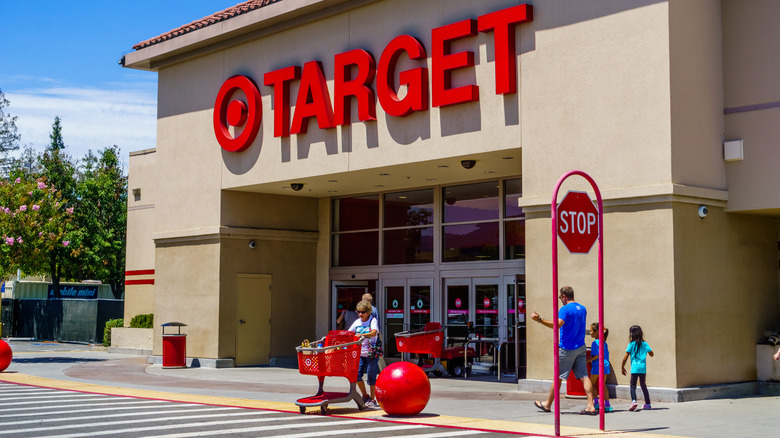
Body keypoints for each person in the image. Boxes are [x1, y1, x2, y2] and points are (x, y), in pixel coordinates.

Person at [531, 286, 596, 415]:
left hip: (567, 348)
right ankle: (591, 405)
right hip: (580, 347)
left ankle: (547, 404)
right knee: (584, 376)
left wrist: (539, 320)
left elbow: (557, 325)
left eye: (560, 297)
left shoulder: (565, 309)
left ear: (564, 296)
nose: (560, 299)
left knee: (558, 377)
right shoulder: (582, 309)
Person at [348, 300, 380, 408]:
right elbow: (349, 333)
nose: (360, 314)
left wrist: (362, 334)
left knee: (371, 376)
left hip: (371, 353)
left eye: (363, 312)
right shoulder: (357, 322)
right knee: (356, 375)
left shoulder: (372, 320)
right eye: (358, 312)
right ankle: (365, 396)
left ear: (368, 312)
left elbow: (374, 332)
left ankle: (373, 399)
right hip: (360, 353)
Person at [621, 325, 654, 411]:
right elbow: (651, 354)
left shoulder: (631, 344)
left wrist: (622, 367)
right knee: (643, 385)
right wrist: (647, 352)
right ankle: (648, 404)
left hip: (634, 369)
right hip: (643, 368)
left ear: (632, 334)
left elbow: (625, 357)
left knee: (633, 385)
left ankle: (634, 401)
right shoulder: (645, 344)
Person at [588, 322, 612, 413]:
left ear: (597, 332)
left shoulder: (595, 343)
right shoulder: (604, 342)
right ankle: (607, 405)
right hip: (605, 366)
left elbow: (596, 356)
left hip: (597, 366)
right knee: (603, 385)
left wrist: (587, 360)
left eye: (591, 331)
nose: (590, 332)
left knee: (591, 384)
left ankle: (596, 402)